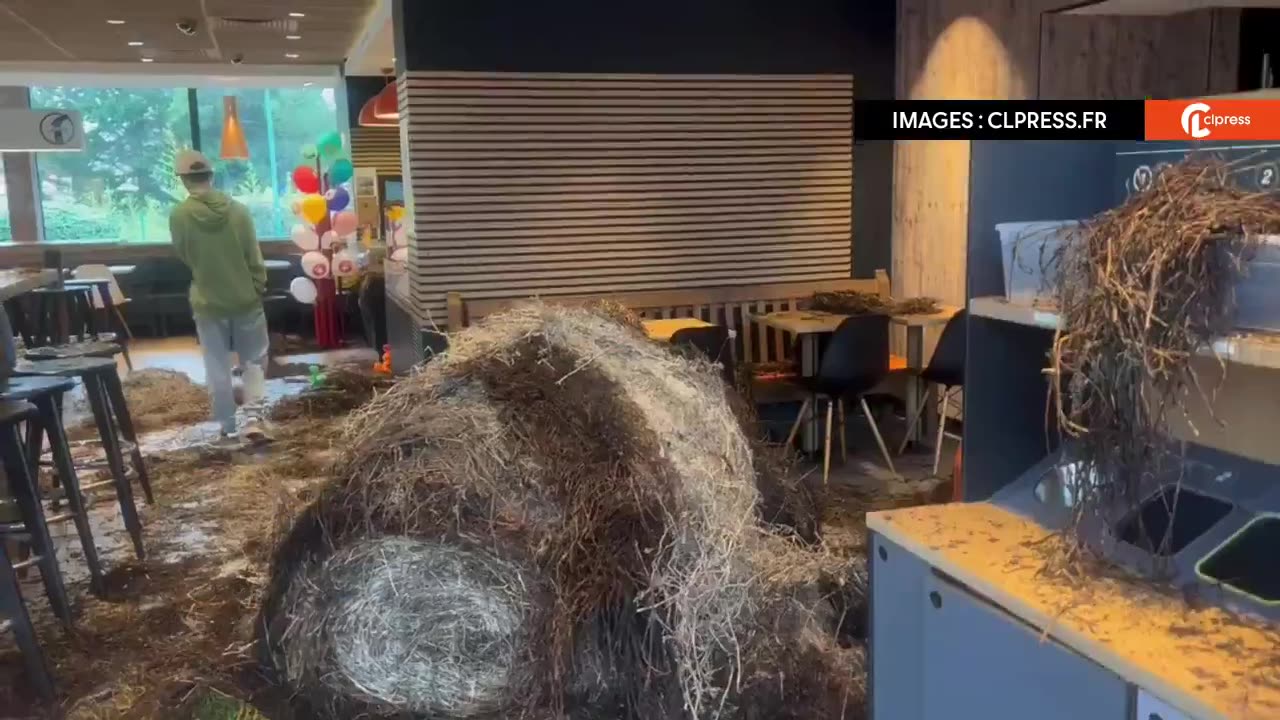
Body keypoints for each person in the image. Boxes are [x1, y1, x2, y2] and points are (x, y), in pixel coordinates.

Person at [169, 149, 271, 443]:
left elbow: (185, 255)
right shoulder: (238, 210)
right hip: (246, 298)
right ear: (210, 176)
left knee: (216, 364)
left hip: (207, 300)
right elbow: (254, 255)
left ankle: (226, 425)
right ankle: (254, 418)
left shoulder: (179, 216)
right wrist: (256, 287)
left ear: (185, 180)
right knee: (254, 361)